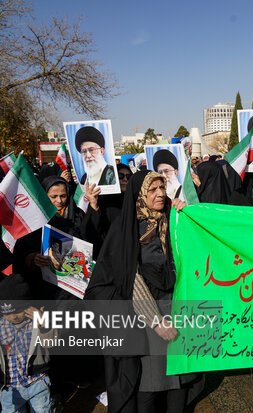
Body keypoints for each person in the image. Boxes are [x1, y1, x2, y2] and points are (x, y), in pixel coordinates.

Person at [85, 171, 191, 413]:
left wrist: (185, 214)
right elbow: (129, 277)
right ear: (139, 194)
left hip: (176, 309)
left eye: (162, 188)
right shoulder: (124, 229)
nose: (160, 194)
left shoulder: (172, 220)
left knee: (178, 383)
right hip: (144, 318)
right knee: (149, 387)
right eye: (152, 190)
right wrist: (155, 320)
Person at [0, 275, 55, 413]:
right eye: (7, 313)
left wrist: (43, 323)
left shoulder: (37, 319)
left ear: (28, 306)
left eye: (17, 311)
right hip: (10, 387)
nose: (13, 317)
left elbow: (50, 343)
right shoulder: (1, 325)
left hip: (37, 382)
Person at [82, 164, 133, 259]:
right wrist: (93, 205)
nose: (125, 179)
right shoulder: (102, 201)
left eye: (129, 176)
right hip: (108, 257)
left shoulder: (134, 200)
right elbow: (89, 232)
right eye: (120, 176)